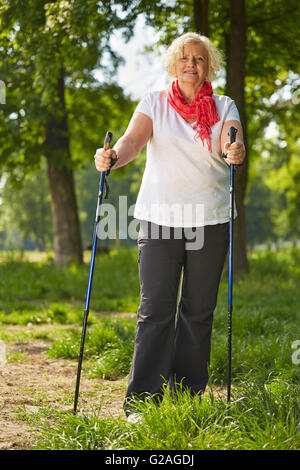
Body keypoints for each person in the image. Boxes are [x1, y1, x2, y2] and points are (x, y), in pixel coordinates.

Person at [94, 32, 245, 421]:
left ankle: (186, 395)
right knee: (155, 309)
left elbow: (234, 143)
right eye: (184, 58)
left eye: (198, 59)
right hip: (160, 221)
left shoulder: (225, 105)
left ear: (208, 65)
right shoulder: (155, 104)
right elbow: (132, 141)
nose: (190, 64)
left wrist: (235, 151)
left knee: (198, 311)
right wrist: (112, 156)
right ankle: (143, 401)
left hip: (210, 220)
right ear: (173, 64)